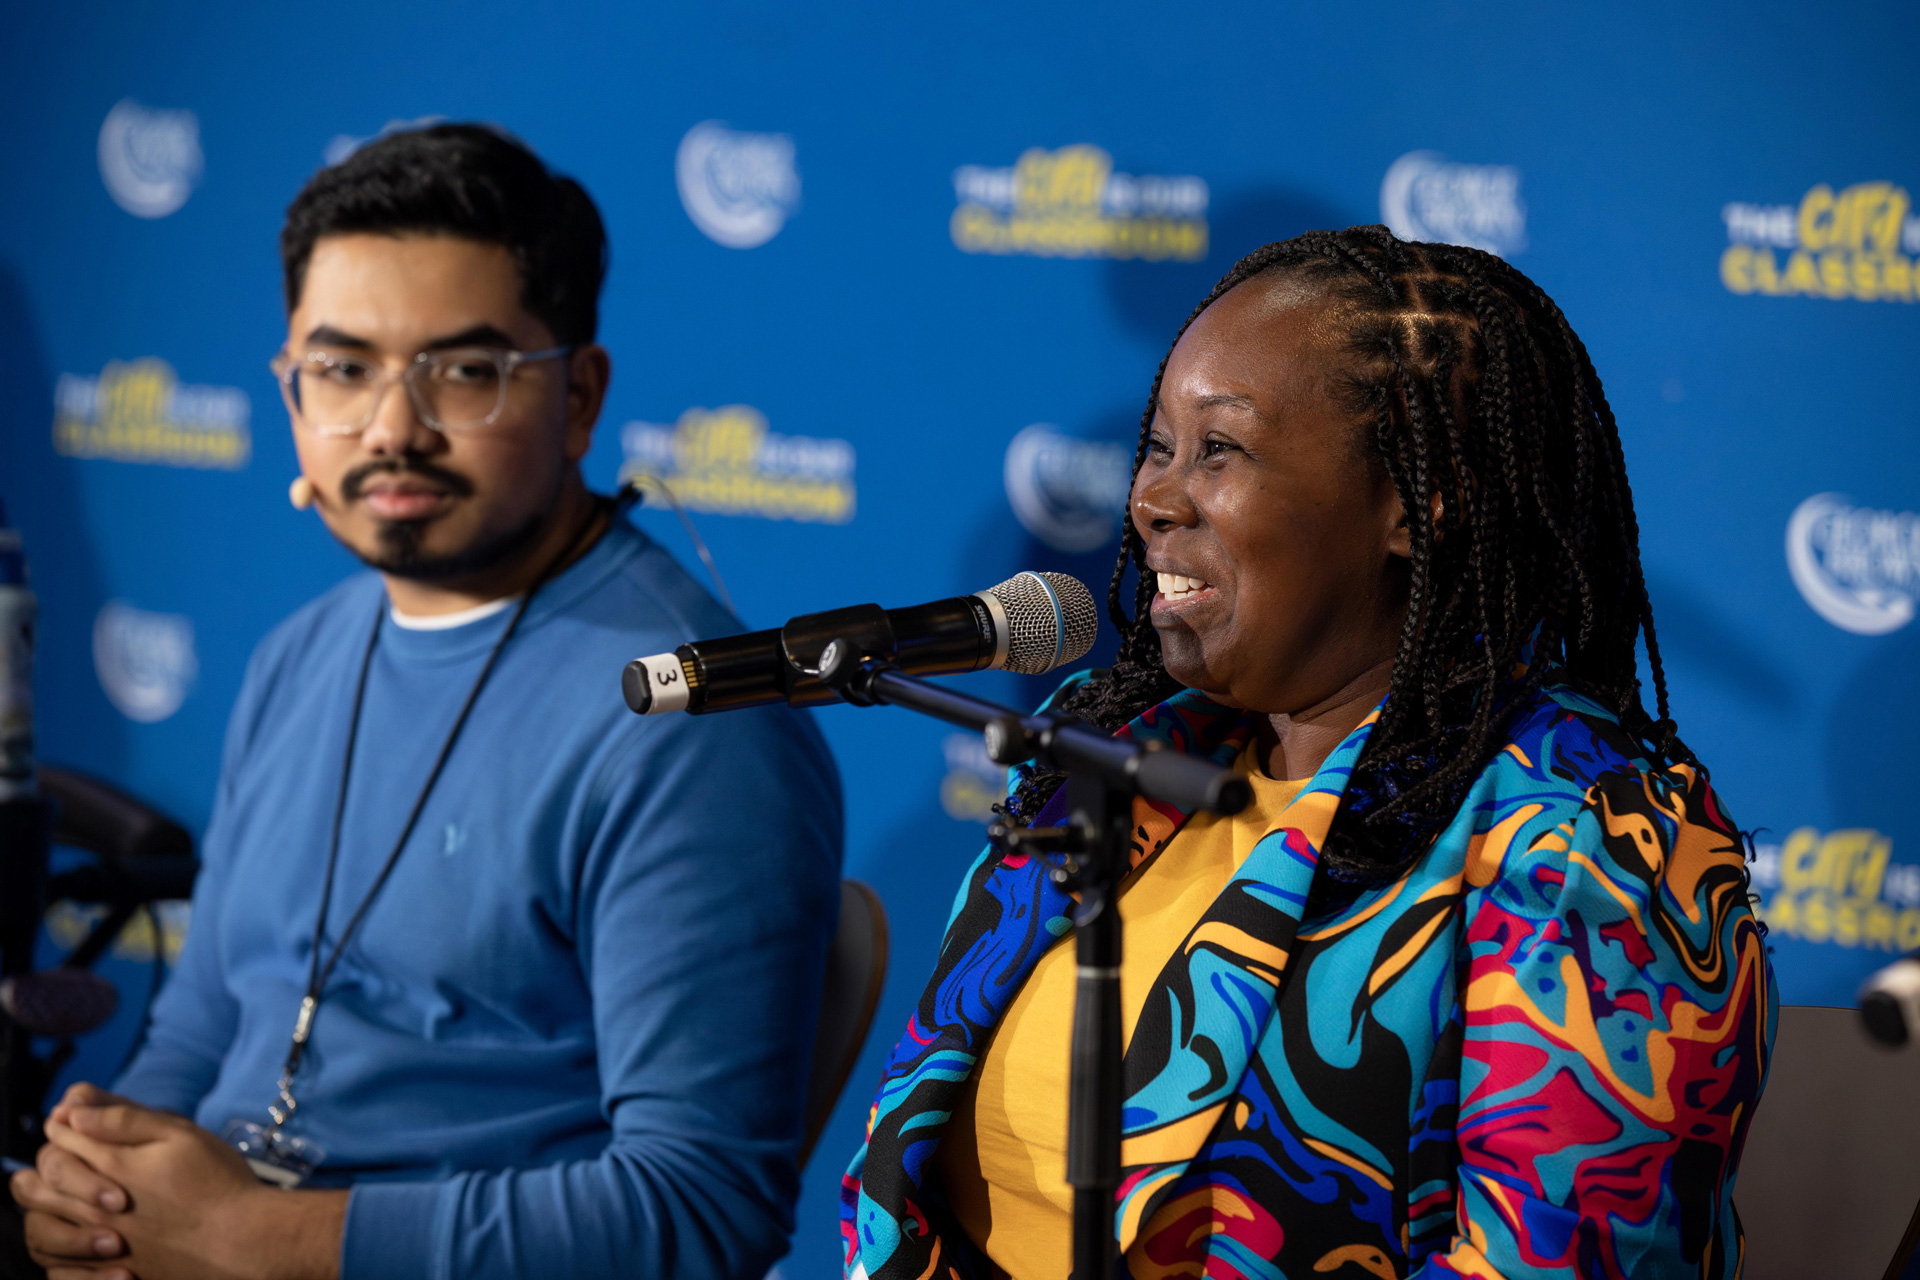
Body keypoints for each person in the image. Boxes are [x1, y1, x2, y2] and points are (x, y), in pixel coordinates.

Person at [840, 227, 1774, 1279]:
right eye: (1158, 446)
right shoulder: (1105, 752)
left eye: (1219, 449)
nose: (1153, 497)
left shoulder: (1584, 833)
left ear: (1418, 502)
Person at [8, 124, 843, 1280]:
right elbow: (209, 1017)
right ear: (290, 387)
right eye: (343, 370)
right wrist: (101, 1195)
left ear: (581, 395)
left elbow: (696, 1212)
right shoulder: (300, 652)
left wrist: (252, 1236)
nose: (392, 426)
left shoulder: (690, 717)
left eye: (463, 370)